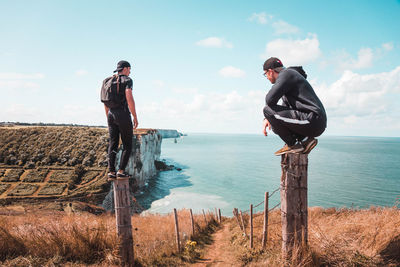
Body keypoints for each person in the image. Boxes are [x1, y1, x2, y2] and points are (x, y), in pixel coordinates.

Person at [262, 57, 327, 155]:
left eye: (265, 74)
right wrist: (268, 118)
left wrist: (268, 115)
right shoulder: (290, 79)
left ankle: (293, 145)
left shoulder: (286, 74)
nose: (266, 77)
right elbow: (282, 111)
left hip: (313, 120)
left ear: (270, 72)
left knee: (267, 110)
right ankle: (305, 140)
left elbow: (269, 100)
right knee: (275, 124)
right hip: (314, 121)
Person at [104, 60, 139, 179]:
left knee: (113, 143)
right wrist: (134, 116)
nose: (130, 72)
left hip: (111, 114)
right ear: (125, 68)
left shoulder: (108, 81)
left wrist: (108, 116)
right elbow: (129, 97)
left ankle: (111, 172)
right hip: (123, 114)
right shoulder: (127, 80)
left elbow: (105, 100)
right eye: (129, 69)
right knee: (127, 144)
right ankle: (121, 170)